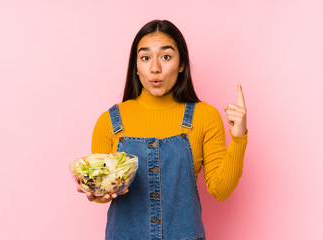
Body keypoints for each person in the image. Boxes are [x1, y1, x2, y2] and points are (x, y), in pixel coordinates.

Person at [77, 19, 248, 240]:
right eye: (145, 58)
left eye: (166, 57)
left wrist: (238, 137)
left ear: (181, 64)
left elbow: (221, 190)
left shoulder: (205, 116)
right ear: (136, 67)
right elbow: (104, 190)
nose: (155, 68)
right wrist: (96, 192)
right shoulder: (109, 121)